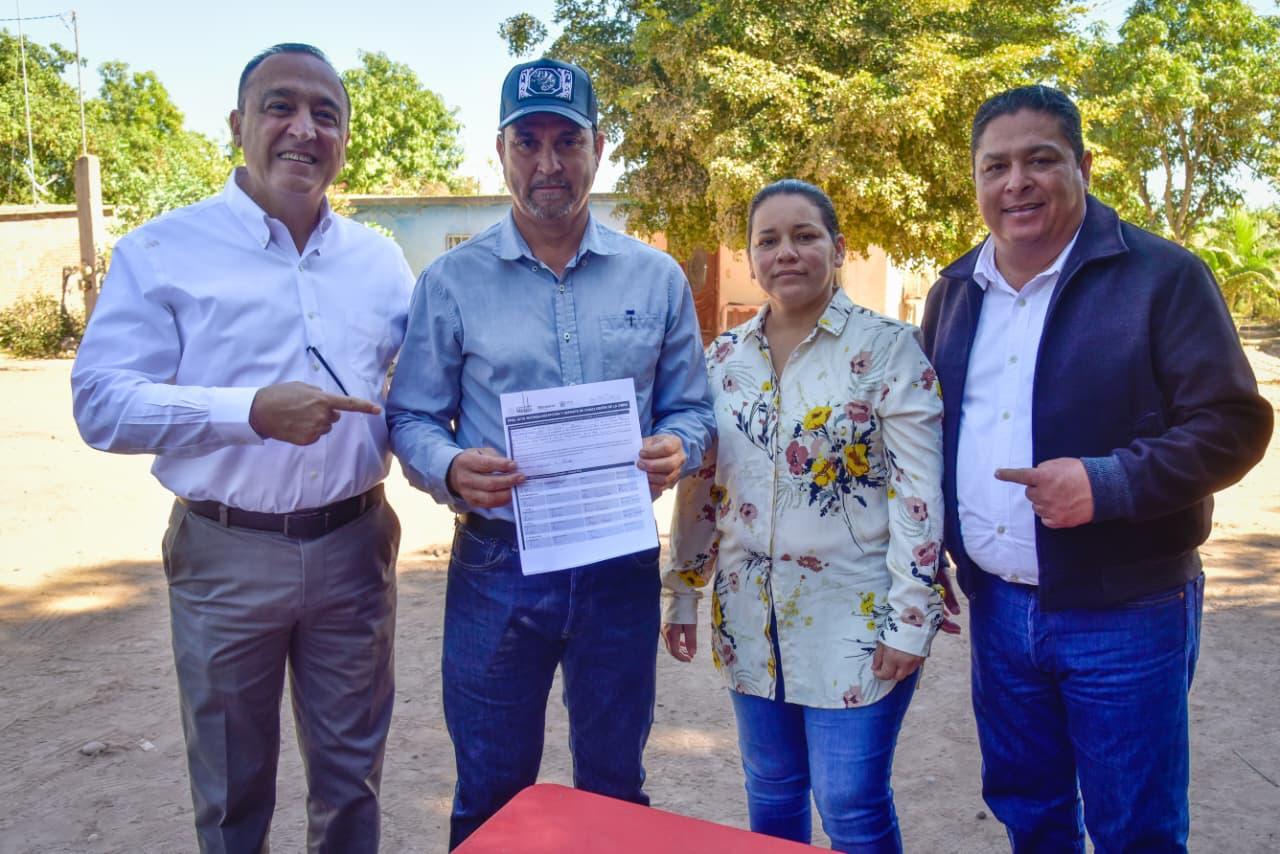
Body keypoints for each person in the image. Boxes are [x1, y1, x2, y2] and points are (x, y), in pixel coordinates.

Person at [70, 43, 414, 853]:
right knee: (231, 790)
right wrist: (247, 411)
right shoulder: (163, 252)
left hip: (354, 548)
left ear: (345, 137)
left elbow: (424, 391)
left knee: (352, 781)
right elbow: (100, 403)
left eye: (326, 114)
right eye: (280, 106)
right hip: (226, 551)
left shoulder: (380, 263)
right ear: (237, 124)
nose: (304, 129)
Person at [921, 85, 1273, 852]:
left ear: (1082, 166)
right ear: (976, 180)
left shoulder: (1162, 277)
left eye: (1040, 160)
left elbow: (1234, 423)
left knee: (1135, 830)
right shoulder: (954, 291)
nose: (1017, 182)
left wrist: (1108, 483)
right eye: (996, 166)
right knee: (1031, 814)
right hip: (998, 610)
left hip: (1128, 611)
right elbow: (932, 434)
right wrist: (934, 546)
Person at [385, 57, 715, 849]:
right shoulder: (451, 282)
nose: (548, 163)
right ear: (499, 151)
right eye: (527, 142)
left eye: (567, 141)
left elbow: (693, 407)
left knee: (614, 790)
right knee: (491, 794)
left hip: (618, 563)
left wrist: (679, 443)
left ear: (599, 147)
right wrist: (450, 467)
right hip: (498, 566)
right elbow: (413, 416)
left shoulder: (657, 278)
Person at [662, 179, 949, 853]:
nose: (785, 252)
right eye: (768, 240)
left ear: (838, 248)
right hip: (749, 619)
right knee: (771, 791)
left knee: (850, 804)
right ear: (751, 256)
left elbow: (918, 492)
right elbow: (702, 487)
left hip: (857, 617)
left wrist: (912, 618)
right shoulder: (722, 360)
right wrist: (683, 592)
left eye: (804, 236)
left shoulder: (889, 349)